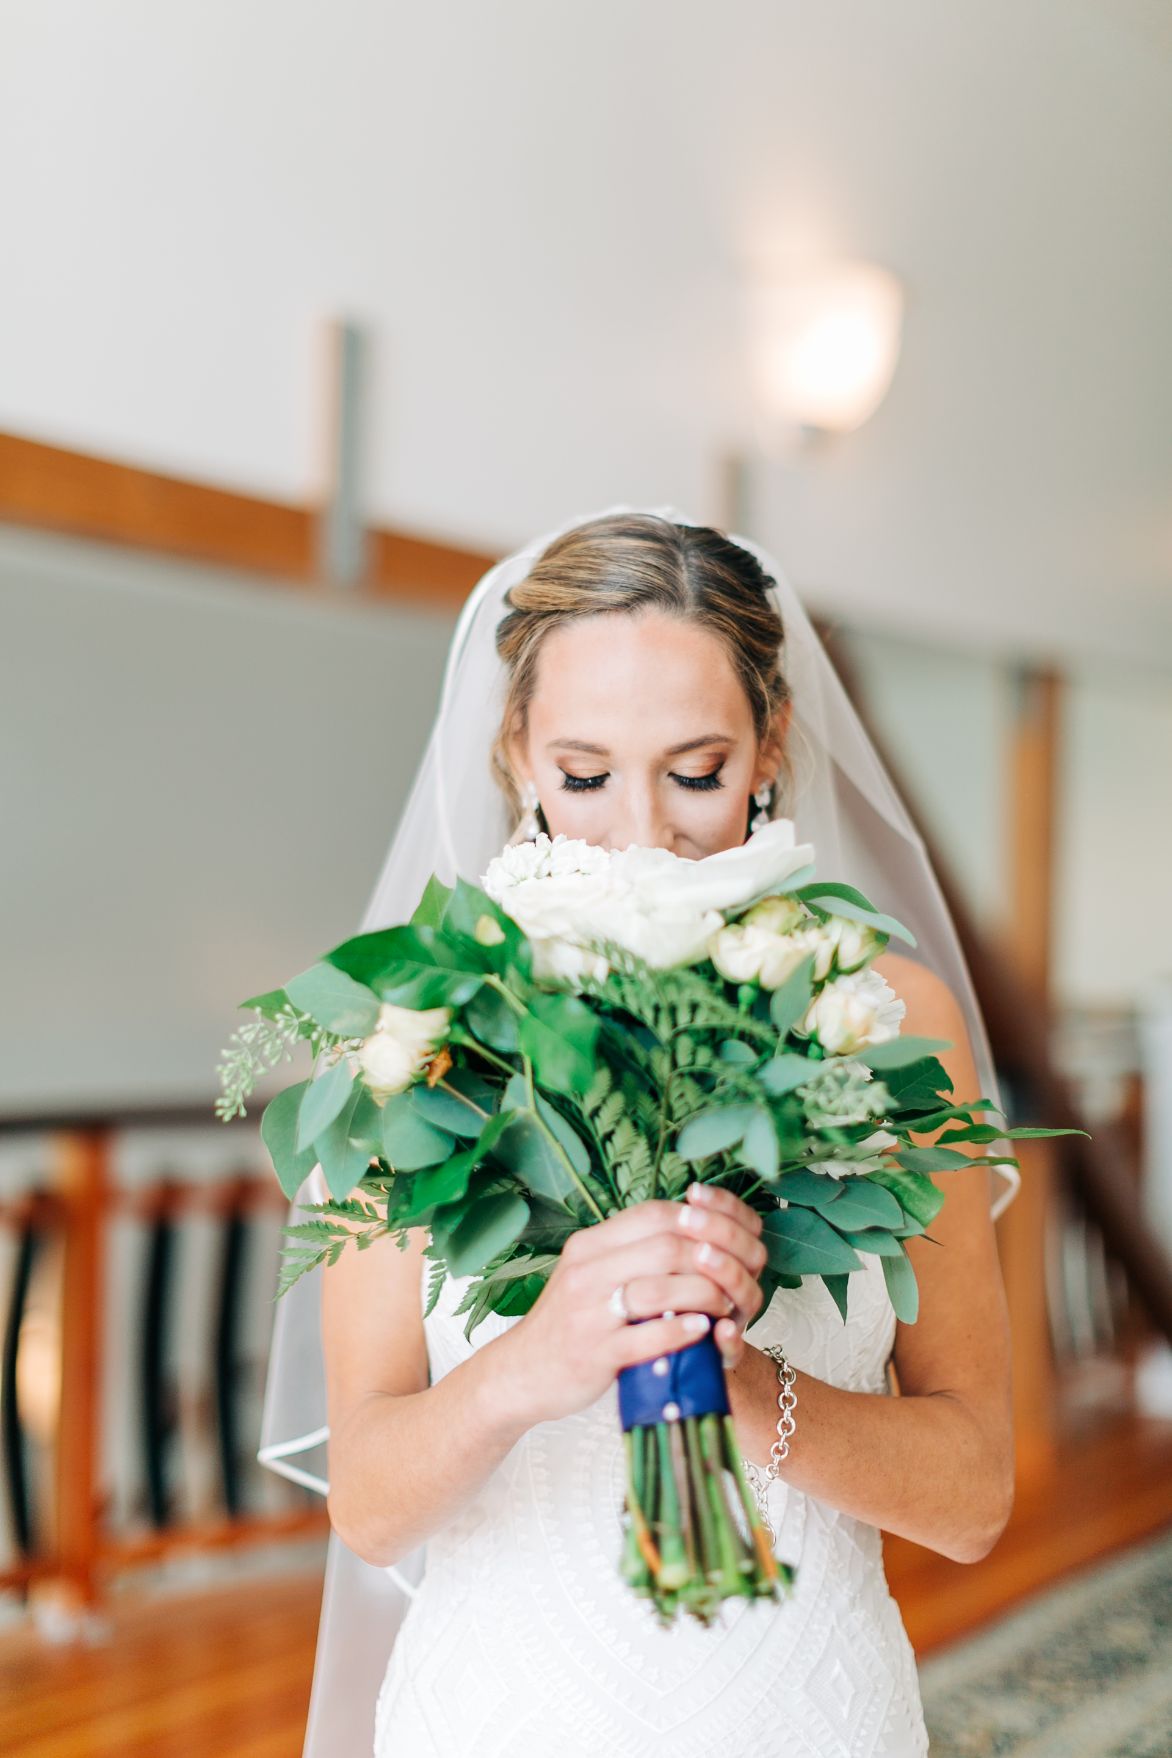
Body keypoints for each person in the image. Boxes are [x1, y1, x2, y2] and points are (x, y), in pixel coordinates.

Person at [259, 505, 1022, 1757]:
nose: (641, 835)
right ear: (513, 752)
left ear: (769, 744)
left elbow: (973, 1497)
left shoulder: (885, 1014)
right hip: (503, 1710)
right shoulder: (420, 1033)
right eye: (583, 772)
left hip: (801, 1703)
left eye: (695, 771)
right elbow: (371, 1506)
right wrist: (536, 1359)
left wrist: (742, 1381)